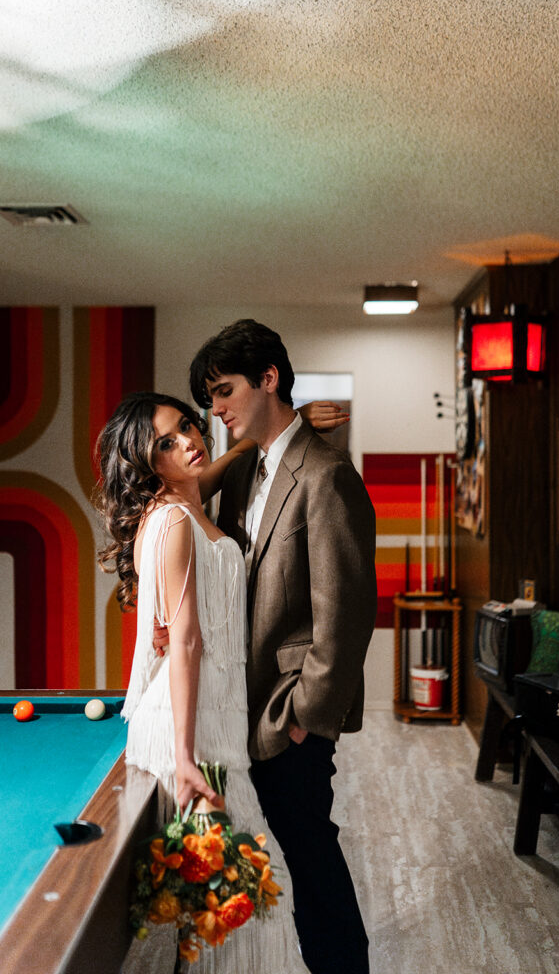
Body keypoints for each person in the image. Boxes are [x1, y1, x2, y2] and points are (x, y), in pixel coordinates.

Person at [96, 391, 346, 974]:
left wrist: (287, 425)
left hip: (218, 719)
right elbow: (184, 641)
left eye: (186, 425)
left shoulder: (185, 504)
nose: (188, 441)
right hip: (192, 729)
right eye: (166, 442)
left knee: (232, 909)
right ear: (147, 463)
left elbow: (208, 470)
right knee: (241, 907)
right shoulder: (173, 520)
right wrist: (185, 758)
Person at [188, 319, 377, 974]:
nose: (215, 409)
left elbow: (346, 616)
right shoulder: (249, 468)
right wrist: (243, 445)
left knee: (310, 852)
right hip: (245, 700)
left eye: (224, 391)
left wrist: (305, 717)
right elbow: (185, 501)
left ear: (268, 378)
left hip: (288, 711)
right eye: (209, 397)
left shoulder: (327, 475)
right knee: (297, 851)